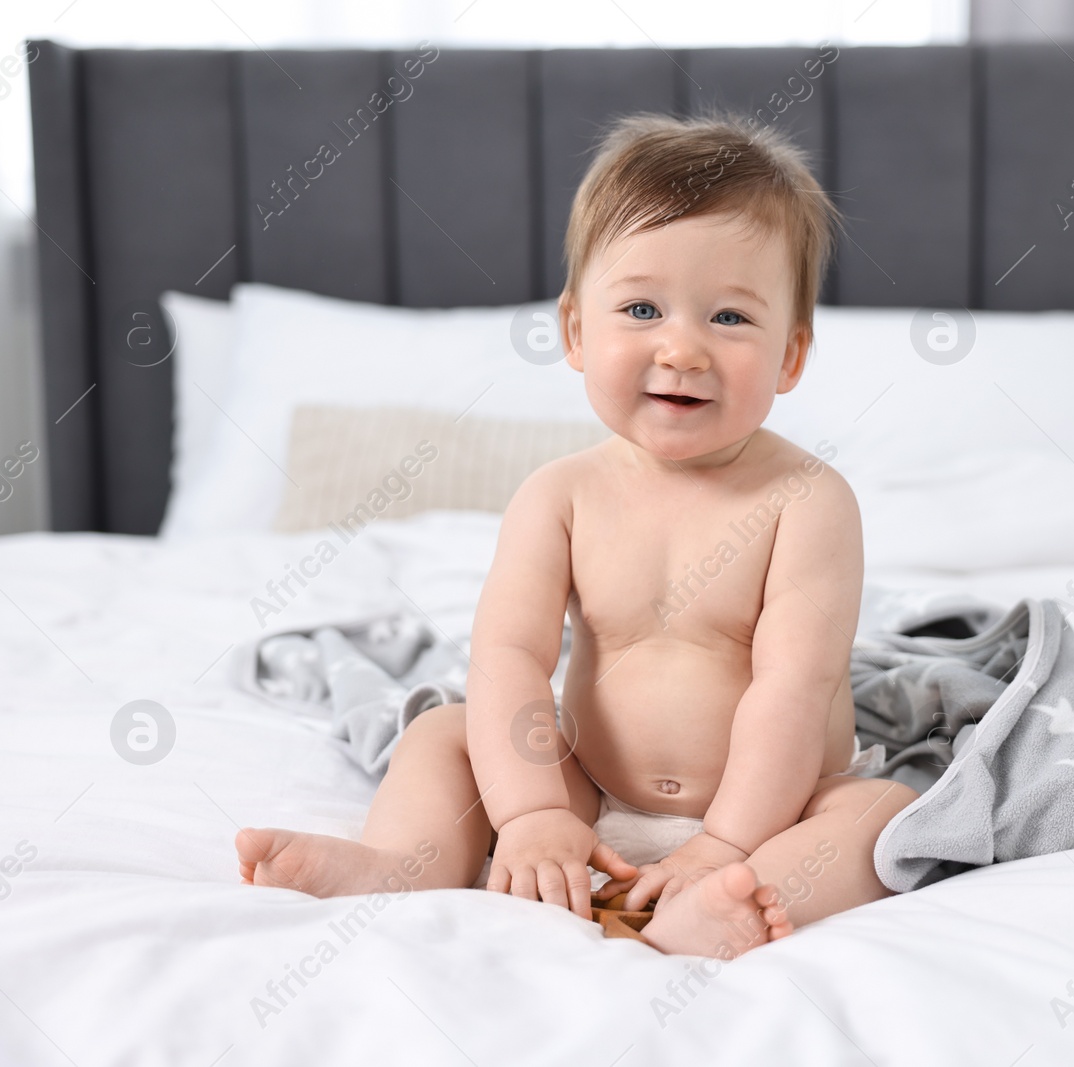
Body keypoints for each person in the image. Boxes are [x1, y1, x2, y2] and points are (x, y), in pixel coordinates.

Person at [235, 111, 918, 958]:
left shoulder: (807, 500)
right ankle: (400, 865)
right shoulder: (559, 495)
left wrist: (726, 842)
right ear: (575, 332)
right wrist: (531, 812)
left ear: (790, 355)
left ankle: (738, 901)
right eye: (641, 307)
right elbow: (511, 658)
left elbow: (794, 688)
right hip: (587, 791)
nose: (683, 348)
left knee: (876, 816)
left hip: (774, 806)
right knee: (444, 733)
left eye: (731, 319)